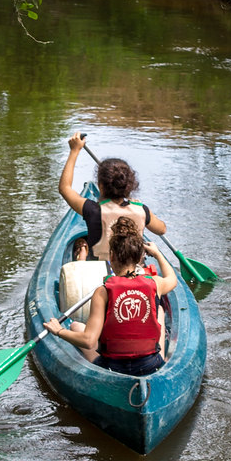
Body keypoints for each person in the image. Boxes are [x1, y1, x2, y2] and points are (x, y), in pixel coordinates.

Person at [46, 211, 177, 375]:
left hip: (112, 368)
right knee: (158, 310)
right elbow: (172, 279)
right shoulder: (155, 283)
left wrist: (59, 331)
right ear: (139, 258)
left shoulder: (102, 291)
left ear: (112, 256)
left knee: (75, 325)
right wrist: (158, 254)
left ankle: (81, 256)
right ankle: (161, 360)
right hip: (150, 366)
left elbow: (88, 340)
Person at [57, 131, 167, 267]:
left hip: (101, 271)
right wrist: (140, 208)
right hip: (135, 271)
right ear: (130, 185)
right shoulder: (142, 210)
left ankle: (82, 255)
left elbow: (64, 188)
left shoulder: (93, 210)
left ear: (101, 186)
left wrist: (74, 151)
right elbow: (162, 229)